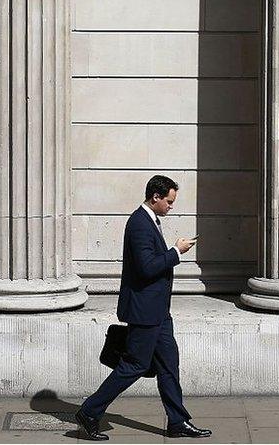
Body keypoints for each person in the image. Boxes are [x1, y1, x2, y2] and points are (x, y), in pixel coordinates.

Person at [75, 175, 212, 441]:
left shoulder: (150, 221)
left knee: (169, 365)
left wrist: (173, 251)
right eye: (169, 201)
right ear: (156, 197)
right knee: (135, 365)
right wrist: (176, 251)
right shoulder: (139, 223)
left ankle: (178, 422)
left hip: (159, 312)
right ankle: (90, 411)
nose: (171, 206)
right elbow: (147, 266)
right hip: (145, 312)